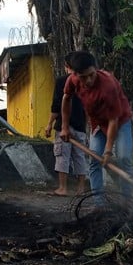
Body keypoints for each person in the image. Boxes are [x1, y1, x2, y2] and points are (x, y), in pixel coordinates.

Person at [60, 51, 133, 203]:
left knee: (124, 158)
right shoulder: (72, 80)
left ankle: (128, 201)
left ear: (96, 69)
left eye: (91, 75)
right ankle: (99, 204)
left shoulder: (109, 85)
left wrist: (108, 151)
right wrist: (65, 127)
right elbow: (66, 99)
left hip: (120, 121)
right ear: (75, 74)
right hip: (98, 124)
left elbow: (113, 120)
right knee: (94, 161)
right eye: (83, 77)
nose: (89, 80)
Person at [44, 53, 88, 197]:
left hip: (65, 127)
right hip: (81, 125)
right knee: (79, 157)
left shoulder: (62, 81)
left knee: (62, 155)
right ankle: (81, 189)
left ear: (67, 67)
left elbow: (56, 106)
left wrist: (49, 125)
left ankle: (63, 188)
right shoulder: (86, 81)